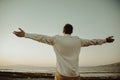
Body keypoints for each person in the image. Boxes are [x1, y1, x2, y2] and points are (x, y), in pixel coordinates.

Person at [13, 24, 114, 80]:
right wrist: (105, 40)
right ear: (72, 31)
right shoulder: (78, 40)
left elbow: (41, 37)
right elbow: (93, 41)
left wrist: (26, 34)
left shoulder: (57, 39)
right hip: (75, 76)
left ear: (63, 31)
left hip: (61, 76)